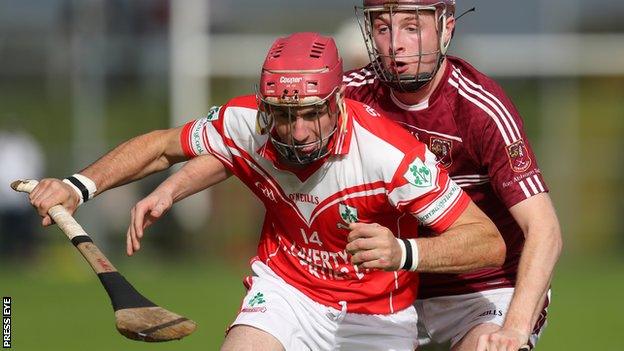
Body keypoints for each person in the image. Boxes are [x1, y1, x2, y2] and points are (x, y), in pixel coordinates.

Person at [28, 32, 505, 350]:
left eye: (311, 113)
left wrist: (404, 252)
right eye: (282, 114)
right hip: (286, 293)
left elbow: (487, 241)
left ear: (339, 100)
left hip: (375, 318)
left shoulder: (388, 154)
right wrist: (78, 186)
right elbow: (161, 147)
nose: (296, 131)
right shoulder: (247, 123)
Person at [343, 1, 563, 350]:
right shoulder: (347, 98)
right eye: (383, 27)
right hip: (388, 292)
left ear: (446, 29)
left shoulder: (480, 107)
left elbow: (544, 230)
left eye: (412, 28)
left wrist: (515, 330)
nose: (394, 43)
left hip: (484, 293)